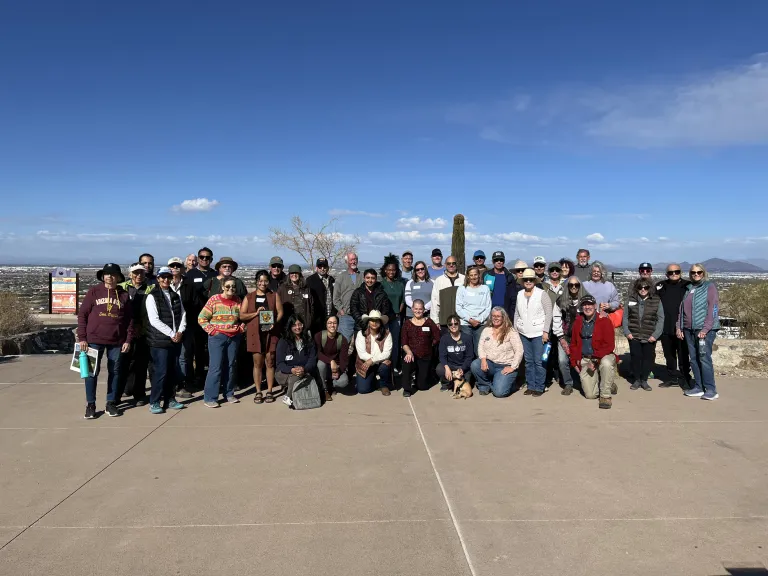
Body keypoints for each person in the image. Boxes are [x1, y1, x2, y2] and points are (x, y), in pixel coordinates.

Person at [77, 264, 135, 419]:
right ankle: (91, 404)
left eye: (113, 274)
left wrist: (128, 339)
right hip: (93, 340)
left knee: (115, 372)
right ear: (103, 276)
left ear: (118, 277)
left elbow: (130, 320)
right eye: (107, 274)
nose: (110, 277)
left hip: (116, 341)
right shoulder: (94, 292)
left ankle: (111, 402)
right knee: (91, 372)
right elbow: (82, 315)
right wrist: (82, 337)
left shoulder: (123, 295)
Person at [144, 267, 187, 414]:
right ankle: (154, 401)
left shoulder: (175, 295)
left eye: (168, 277)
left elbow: (183, 314)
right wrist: (171, 333)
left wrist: (180, 331)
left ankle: (170, 398)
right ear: (158, 278)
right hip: (159, 341)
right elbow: (154, 320)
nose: (166, 280)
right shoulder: (152, 296)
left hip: (174, 340)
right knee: (160, 372)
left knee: (172, 372)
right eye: (163, 277)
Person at [198, 277, 245, 408]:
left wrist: (241, 328)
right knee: (215, 367)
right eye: (228, 286)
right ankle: (210, 397)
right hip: (217, 337)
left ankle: (229, 393)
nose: (231, 289)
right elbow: (202, 318)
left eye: (233, 286)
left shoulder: (238, 301)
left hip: (234, 337)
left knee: (231, 366)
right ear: (223, 286)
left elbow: (243, 317)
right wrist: (212, 331)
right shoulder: (214, 300)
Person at [677, 264, 720, 400]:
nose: (696, 274)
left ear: (703, 273)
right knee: (694, 359)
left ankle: (711, 389)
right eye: (693, 272)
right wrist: (679, 327)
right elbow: (681, 310)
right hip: (689, 329)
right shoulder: (689, 288)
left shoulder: (709, 287)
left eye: (699, 272)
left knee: (704, 358)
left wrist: (706, 329)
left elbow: (713, 309)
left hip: (704, 330)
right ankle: (699, 387)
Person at [240, 270, 283, 404]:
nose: (262, 283)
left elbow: (280, 312)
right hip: (254, 333)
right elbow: (241, 315)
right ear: (256, 281)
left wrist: (274, 323)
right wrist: (255, 313)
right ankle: (258, 391)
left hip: (270, 332)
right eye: (260, 280)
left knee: (270, 362)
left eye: (265, 280)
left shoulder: (273, 295)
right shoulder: (249, 297)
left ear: (268, 282)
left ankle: (269, 390)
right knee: (257, 363)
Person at [570, 295, 616, 409]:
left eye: (590, 304)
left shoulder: (604, 321)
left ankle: (605, 396)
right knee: (590, 395)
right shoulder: (578, 322)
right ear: (581, 307)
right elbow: (574, 344)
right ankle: (608, 383)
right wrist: (575, 362)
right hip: (585, 358)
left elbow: (610, 345)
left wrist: (595, 359)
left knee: (606, 364)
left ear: (595, 306)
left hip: (603, 356)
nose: (587, 307)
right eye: (584, 305)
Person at [116, 263, 153, 407]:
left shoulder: (150, 289)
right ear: (130, 274)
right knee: (122, 365)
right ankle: (119, 394)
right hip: (124, 333)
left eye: (141, 273)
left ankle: (139, 394)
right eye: (136, 273)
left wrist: (142, 328)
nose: (139, 276)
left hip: (143, 332)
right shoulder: (122, 288)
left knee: (141, 365)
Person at [514, 269, 553, 397]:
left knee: (539, 361)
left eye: (531, 279)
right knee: (528, 361)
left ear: (535, 281)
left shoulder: (542, 294)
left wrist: (546, 331)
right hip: (524, 332)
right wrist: (515, 330)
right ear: (523, 281)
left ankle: (539, 386)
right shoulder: (519, 294)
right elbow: (516, 313)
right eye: (526, 280)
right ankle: (530, 385)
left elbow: (549, 314)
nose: (528, 282)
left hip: (538, 333)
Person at [470, 307, 523, 398]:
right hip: (490, 363)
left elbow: (519, 350)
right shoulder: (486, 330)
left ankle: (509, 384)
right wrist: (483, 360)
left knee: (499, 393)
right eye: (493, 316)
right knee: (475, 364)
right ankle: (485, 385)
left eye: (498, 316)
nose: (495, 318)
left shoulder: (511, 331)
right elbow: (480, 346)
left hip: (505, 366)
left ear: (503, 317)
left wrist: (512, 367)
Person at [184, 246, 217, 391]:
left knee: (209, 350)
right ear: (198, 259)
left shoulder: (215, 275)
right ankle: (193, 379)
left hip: (214, 319)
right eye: (202, 257)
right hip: (194, 319)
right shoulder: (190, 274)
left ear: (211, 259)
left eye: (207, 257)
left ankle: (208, 378)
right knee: (193, 351)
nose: (204, 259)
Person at [623, 277, 664, 391]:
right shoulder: (630, 299)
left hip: (649, 335)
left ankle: (644, 380)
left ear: (649, 288)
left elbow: (661, 319)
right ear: (637, 288)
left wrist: (655, 335)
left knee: (648, 359)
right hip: (634, 335)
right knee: (635, 358)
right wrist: (627, 332)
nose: (643, 289)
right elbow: (625, 317)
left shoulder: (656, 300)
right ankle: (636, 380)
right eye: (640, 287)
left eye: (645, 287)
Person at [656, 263, 691, 388]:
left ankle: (685, 378)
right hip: (666, 327)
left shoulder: (688, 286)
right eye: (671, 272)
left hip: (682, 327)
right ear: (666, 274)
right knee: (669, 355)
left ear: (681, 272)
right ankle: (672, 378)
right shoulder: (661, 286)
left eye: (676, 272)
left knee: (683, 355)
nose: (674, 274)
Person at [553, 277, 590, 395]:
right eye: (571, 285)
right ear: (567, 286)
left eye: (576, 285)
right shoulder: (560, 301)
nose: (574, 287)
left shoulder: (586, 301)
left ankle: (584, 381)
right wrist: (560, 337)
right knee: (563, 360)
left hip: (582, 337)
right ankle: (568, 383)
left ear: (580, 286)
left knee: (582, 360)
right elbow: (556, 319)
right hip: (565, 336)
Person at [167, 257, 196, 398]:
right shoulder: (163, 284)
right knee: (168, 357)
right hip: (166, 327)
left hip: (185, 326)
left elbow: (194, 305)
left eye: (178, 265)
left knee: (183, 357)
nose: (175, 268)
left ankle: (181, 385)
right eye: (172, 266)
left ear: (183, 268)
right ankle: (168, 385)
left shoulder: (188, 285)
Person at [400, 299, 440, 397]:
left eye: (420, 309)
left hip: (425, 356)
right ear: (412, 309)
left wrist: (429, 346)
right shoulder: (407, 323)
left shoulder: (429, 322)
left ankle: (420, 377)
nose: (418, 311)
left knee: (422, 386)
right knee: (407, 360)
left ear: (424, 310)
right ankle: (407, 388)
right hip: (411, 354)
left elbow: (437, 337)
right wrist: (409, 352)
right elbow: (404, 342)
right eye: (416, 309)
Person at [275, 314, 318, 399]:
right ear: (290, 327)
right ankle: (290, 397)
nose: (297, 327)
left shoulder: (309, 340)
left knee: (296, 377)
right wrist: (291, 369)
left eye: (299, 324)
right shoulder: (283, 341)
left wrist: (304, 369)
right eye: (294, 325)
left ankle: (289, 397)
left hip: (303, 371)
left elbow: (312, 359)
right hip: (283, 373)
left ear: (303, 325)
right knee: (295, 376)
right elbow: (280, 364)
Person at [354, 310, 393, 395]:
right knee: (363, 390)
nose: (374, 323)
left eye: (377, 320)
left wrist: (372, 360)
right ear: (368, 322)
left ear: (380, 322)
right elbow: (362, 354)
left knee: (385, 366)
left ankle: (383, 385)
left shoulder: (387, 334)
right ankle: (373, 380)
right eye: (372, 320)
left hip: (379, 363)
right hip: (365, 363)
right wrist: (372, 360)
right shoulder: (361, 334)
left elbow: (387, 353)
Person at [455, 266, 492, 354]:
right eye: (471, 275)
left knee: (479, 350)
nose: (474, 277)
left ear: (479, 275)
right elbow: (458, 308)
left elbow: (488, 307)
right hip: (466, 324)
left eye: (475, 274)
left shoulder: (485, 289)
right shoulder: (462, 289)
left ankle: (478, 367)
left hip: (480, 324)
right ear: (467, 276)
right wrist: (469, 320)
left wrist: (479, 320)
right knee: (466, 350)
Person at [314, 316, 350, 400]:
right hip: (323, 367)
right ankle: (324, 390)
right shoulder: (319, 336)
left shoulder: (342, 339)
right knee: (320, 364)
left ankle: (330, 384)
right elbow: (317, 353)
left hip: (335, 368)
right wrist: (331, 361)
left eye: (334, 323)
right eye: (329, 323)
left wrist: (339, 371)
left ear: (338, 325)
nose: (332, 325)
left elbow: (344, 360)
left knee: (344, 381)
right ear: (326, 325)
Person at [437, 314, 475, 392]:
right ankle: (446, 383)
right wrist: (447, 368)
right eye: (450, 324)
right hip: (451, 365)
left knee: (466, 385)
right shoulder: (444, 338)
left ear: (459, 324)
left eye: (456, 323)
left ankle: (457, 382)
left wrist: (463, 368)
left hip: (463, 365)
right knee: (440, 369)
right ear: (448, 326)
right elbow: (442, 356)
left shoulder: (467, 338)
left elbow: (470, 356)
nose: (453, 326)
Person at [380, 254, 405, 371]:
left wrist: (397, 313)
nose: (391, 272)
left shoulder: (400, 284)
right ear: (385, 270)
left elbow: (403, 300)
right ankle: (383, 367)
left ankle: (394, 366)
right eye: (389, 269)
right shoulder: (381, 284)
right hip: (384, 318)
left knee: (394, 343)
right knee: (383, 343)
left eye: (393, 270)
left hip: (396, 318)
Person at [332, 252, 364, 342]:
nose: (353, 262)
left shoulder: (362, 276)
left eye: (355, 259)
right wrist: (341, 310)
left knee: (361, 343)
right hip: (346, 316)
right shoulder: (341, 277)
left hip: (360, 315)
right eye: (351, 260)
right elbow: (336, 297)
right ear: (347, 262)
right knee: (344, 343)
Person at [350, 269, 393, 333]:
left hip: (377, 327)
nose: (370, 280)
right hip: (361, 327)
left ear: (376, 279)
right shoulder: (358, 292)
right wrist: (363, 323)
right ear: (364, 278)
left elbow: (386, 309)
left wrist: (377, 322)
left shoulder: (382, 293)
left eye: (372, 278)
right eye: (368, 278)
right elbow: (354, 309)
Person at [430, 255, 465, 332]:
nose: (451, 265)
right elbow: (434, 301)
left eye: (453, 263)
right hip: (444, 321)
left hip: (462, 321)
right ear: (445, 265)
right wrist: (435, 321)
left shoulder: (464, 279)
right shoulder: (439, 280)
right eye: (449, 263)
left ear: (457, 264)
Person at [306, 258, 335, 336]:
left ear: (327, 268)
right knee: (317, 340)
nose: (322, 268)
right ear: (316, 268)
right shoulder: (310, 281)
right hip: (317, 318)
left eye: (324, 266)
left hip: (330, 316)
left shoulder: (331, 280)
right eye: (320, 266)